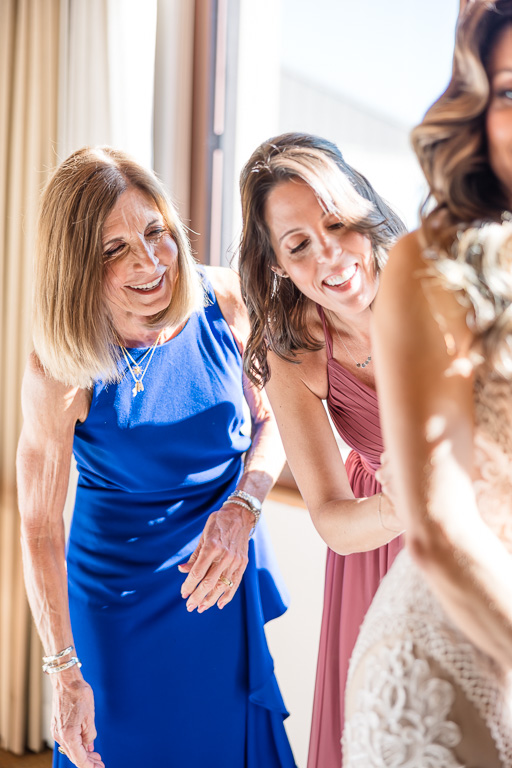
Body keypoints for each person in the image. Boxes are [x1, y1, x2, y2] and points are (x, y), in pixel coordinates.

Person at [16, 146, 296, 768]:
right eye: (114, 249)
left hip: (221, 587)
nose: (149, 261)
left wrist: (244, 508)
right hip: (116, 618)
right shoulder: (61, 366)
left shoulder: (223, 300)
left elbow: (272, 422)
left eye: (155, 232)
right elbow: (38, 526)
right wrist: (63, 670)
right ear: (78, 266)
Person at [343, 2, 512, 765]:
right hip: (444, 667)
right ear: (476, 114)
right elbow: (440, 525)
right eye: (511, 92)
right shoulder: (429, 265)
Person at [238, 132, 406, 768]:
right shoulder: (293, 352)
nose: (330, 255)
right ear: (278, 263)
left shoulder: (443, 285)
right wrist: (398, 508)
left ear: (361, 208)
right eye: (299, 244)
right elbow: (334, 519)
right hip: (378, 541)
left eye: (335, 221)